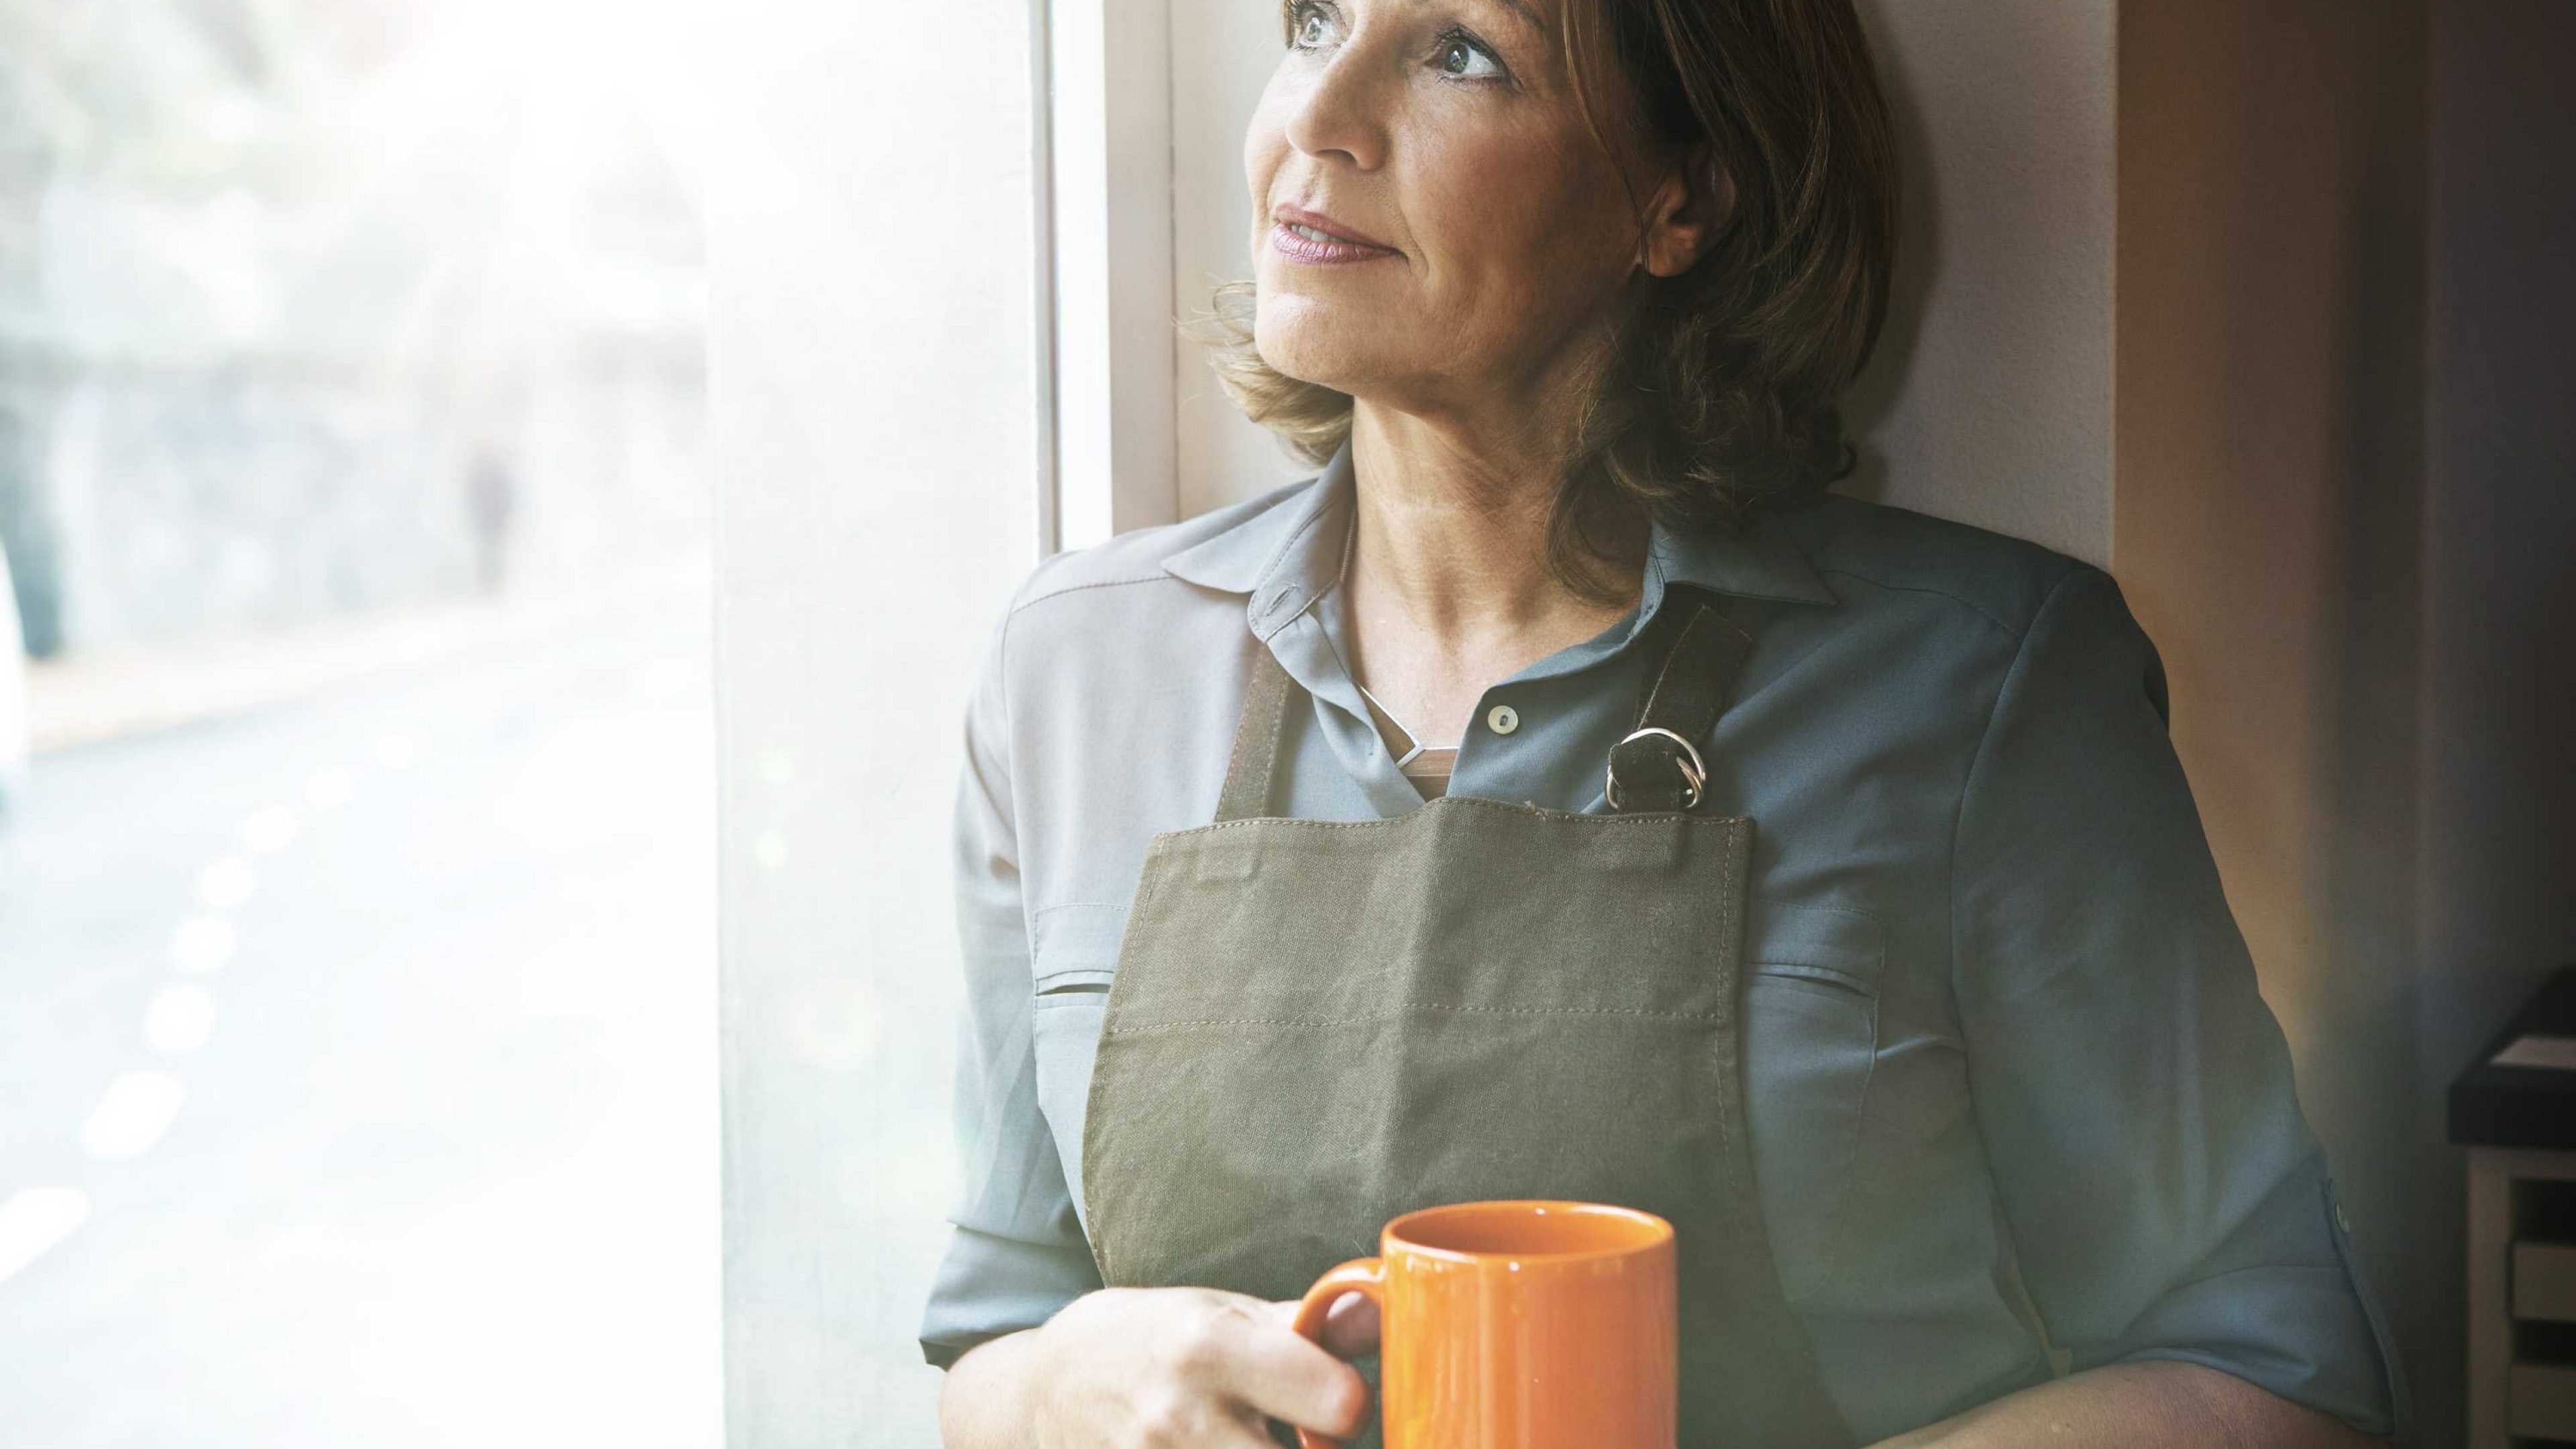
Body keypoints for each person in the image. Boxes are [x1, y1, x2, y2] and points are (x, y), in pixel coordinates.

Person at [920, 1, 2408, 1444]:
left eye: (1461, 53)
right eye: (1313, 18)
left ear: (1682, 200)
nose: (1316, 114)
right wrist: (1058, 1387)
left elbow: (2268, 1369)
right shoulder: (1073, 671)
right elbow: (993, 1330)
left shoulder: (1988, 690)